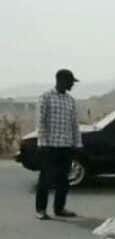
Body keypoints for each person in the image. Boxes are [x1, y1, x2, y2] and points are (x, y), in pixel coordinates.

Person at [35, 69, 82, 220]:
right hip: (50, 146)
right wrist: (42, 143)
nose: (72, 85)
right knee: (46, 179)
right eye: (70, 82)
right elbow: (41, 121)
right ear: (61, 80)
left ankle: (59, 208)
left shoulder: (70, 100)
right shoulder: (46, 97)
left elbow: (74, 124)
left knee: (63, 180)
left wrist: (77, 143)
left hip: (66, 146)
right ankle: (41, 210)